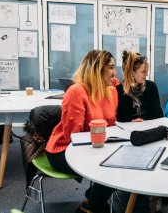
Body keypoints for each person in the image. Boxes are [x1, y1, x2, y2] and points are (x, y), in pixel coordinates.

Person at [45, 50, 118, 213]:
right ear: (97, 69)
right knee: (110, 168)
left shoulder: (111, 91)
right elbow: (73, 135)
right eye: (111, 68)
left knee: (122, 163)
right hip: (65, 149)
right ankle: (91, 206)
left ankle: (93, 200)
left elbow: (111, 125)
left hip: (96, 147)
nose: (115, 73)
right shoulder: (77, 91)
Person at [116, 50, 163, 122]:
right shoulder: (118, 91)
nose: (146, 75)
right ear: (132, 73)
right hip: (129, 132)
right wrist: (130, 122)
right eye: (143, 72)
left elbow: (158, 115)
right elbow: (119, 119)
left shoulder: (151, 86)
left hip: (150, 130)